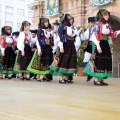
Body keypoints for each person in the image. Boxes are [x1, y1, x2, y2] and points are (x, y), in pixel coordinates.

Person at [84, 9, 120, 86]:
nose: (108, 16)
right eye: (106, 15)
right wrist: (98, 46)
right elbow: (94, 36)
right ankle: (96, 80)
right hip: (99, 43)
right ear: (101, 16)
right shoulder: (97, 24)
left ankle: (101, 79)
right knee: (99, 60)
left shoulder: (107, 25)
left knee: (105, 60)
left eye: (108, 15)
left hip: (105, 44)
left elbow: (112, 34)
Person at [50, 14, 81, 83]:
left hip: (71, 44)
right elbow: (60, 37)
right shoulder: (62, 27)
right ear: (66, 20)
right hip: (65, 45)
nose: (71, 20)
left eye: (72, 19)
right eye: (70, 19)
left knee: (70, 60)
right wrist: (61, 47)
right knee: (63, 60)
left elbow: (74, 34)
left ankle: (66, 78)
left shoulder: (72, 27)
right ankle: (61, 78)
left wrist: (79, 31)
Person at [81, 17, 95, 82]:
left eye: (93, 22)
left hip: (96, 46)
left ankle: (96, 76)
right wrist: (83, 32)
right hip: (89, 46)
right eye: (91, 22)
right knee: (85, 60)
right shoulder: (89, 30)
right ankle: (89, 74)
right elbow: (84, 38)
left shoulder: (98, 29)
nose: (93, 24)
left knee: (96, 61)